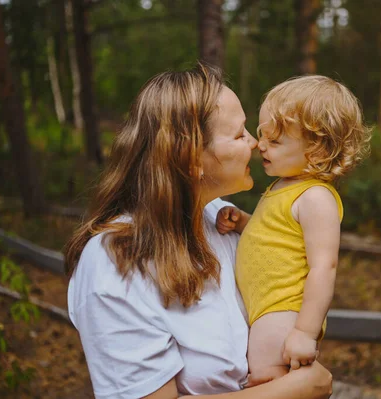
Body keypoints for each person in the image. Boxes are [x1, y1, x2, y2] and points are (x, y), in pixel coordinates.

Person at [64, 64, 333, 399]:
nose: (253, 143)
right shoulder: (114, 266)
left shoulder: (222, 221)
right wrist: (297, 390)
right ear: (191, 158)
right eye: (238, 134)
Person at [216, 75, 371, 385]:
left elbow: (323, 267)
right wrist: (244, 222)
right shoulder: (285, 187)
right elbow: (278, 236)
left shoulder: (316, 197)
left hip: (283, 313)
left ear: (315, 150)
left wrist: (304, 332)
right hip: (264, 309)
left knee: (271, 383)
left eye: (275, 141)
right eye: (263, 136)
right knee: (262, 380)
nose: (260, 145)